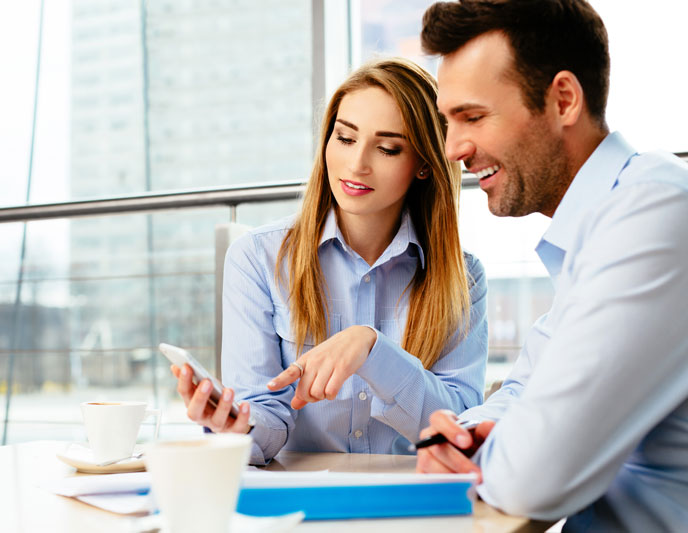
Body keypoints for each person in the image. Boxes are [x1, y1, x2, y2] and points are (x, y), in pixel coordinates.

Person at [415, 1, 688, 531]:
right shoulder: (600, 225)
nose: (453, 149)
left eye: (472, 117)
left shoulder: (653, 212)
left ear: (563, 99)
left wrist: (509, 446)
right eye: (448, 122)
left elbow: (530, 479)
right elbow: (524, 389)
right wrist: (470, 435)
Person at [171, 57, 488, 465]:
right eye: (345, 138)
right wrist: (235, 428)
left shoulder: (464, 278)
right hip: (303, 502)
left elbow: (460, 425)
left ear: (424, 164)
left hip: (410, 495)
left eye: (388, 148)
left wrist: (374, 351)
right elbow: (262, 422)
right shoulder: (257, 258)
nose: (357, 164)